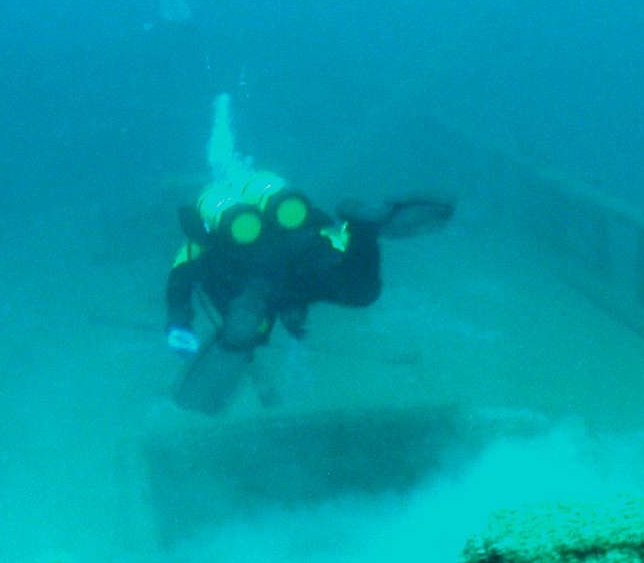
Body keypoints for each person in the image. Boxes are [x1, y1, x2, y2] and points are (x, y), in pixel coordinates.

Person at [164, 96, 450, 414]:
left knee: (242, 336)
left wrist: (179, 322)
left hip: (256, 286)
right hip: (300, 259)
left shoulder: (204, 241)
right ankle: (362, 225)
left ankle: (264, 397)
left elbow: (180, 277)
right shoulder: (285, 221)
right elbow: (330, 241)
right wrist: (352, 237)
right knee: (360, 290)